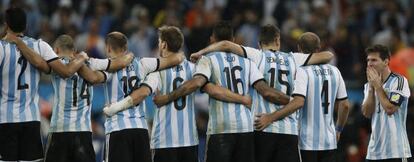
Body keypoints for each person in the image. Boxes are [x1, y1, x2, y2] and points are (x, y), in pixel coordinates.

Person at [104, 26, 251, 162]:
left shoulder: (156, 72)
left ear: (164, 45)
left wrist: (115, 107)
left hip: (164, 142)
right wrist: (242, 99)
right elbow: (212, 89)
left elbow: (142, 93)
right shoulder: (194, 69)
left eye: (159, 42)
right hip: (189, 140)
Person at [190, 24, 334, 162]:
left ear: (259, 43)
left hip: (262, 127)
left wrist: (200, 52)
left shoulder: (257, 56)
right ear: (278, 40)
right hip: (289, 131)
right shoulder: (294, 58)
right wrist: (292, 102)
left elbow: (226, 45)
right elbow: (328, 55)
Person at [153, 21, 289, 162]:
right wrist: (290, 101)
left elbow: (201, 85)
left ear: (212, 39)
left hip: (221, 128)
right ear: (234, 40)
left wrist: (167, 97)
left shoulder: (207, 60)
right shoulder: (248, 62)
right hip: (245, 128)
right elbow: (265, 91)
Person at [0, 7, 88, 162]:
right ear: (26, 26)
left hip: (6, 119)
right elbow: (65, 71)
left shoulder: (1, 48)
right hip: (31, 119)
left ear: (6, 24)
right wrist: (81, 57)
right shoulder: (40, 46)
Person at [255, 32, 350, 162]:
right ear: (319, 48)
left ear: (299, 48)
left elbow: (298, 102)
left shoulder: (303, 71)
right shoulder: (335, 71)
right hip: (330, 140)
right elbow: (345, 105)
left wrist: (271, 117)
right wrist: (338, 129)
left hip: (307, 141)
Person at [43, 35, 132, 162]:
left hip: (59, 130)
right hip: (83, 132)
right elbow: (117, 62)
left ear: (56, 51)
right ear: (74, 51)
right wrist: (129, 57)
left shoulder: (55, 65)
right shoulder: (91, 63)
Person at [100, 31, 185, 162]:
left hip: (117, 129)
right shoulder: (143, 63)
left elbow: (91, 77)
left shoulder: (105, 68)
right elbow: (177, 58)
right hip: (141, 130)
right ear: (126, 48)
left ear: (108, 48)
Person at [362, 45, 411, 162]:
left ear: (386, 62)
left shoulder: (399, 81)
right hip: (374, 152)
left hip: (396, 151)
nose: (369, 64)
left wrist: (378, 87)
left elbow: (390, 109)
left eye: (374, 60)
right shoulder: (368, 85)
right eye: (368, 60)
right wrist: (371, 88)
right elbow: (367, 113)